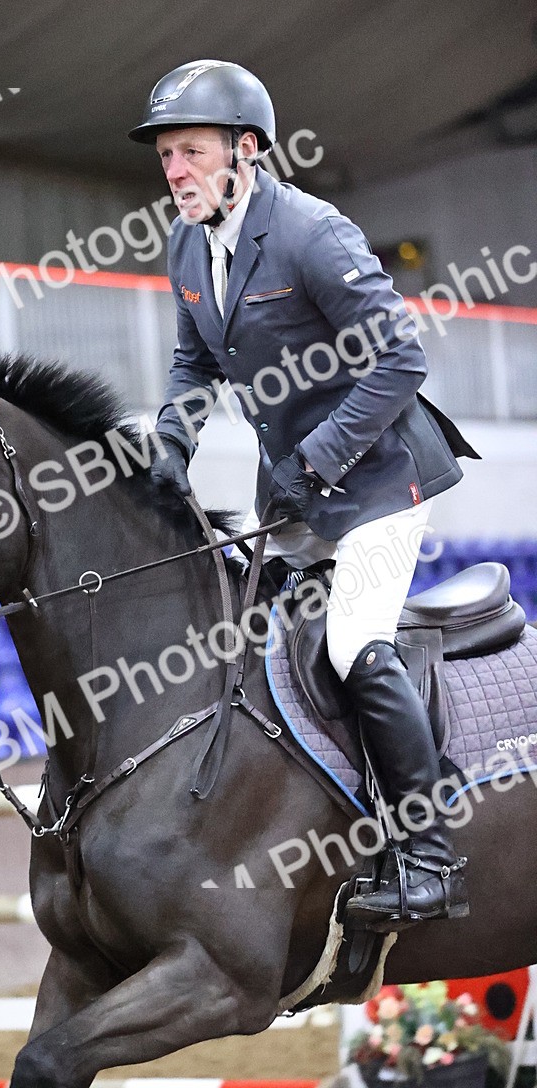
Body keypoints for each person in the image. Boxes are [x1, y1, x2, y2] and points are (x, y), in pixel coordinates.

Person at [129, 59, 478, 930]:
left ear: (246, 150)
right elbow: (193, 362)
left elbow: (400, 360)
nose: (175, 172)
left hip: (380, 479)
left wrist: (315, 462)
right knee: (255, 650)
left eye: (192, 153)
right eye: (166, 155)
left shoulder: (312, 233)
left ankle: (432, 858)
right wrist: (170, 442)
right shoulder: (186, 242)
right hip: (292, 488)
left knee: (356, 643)